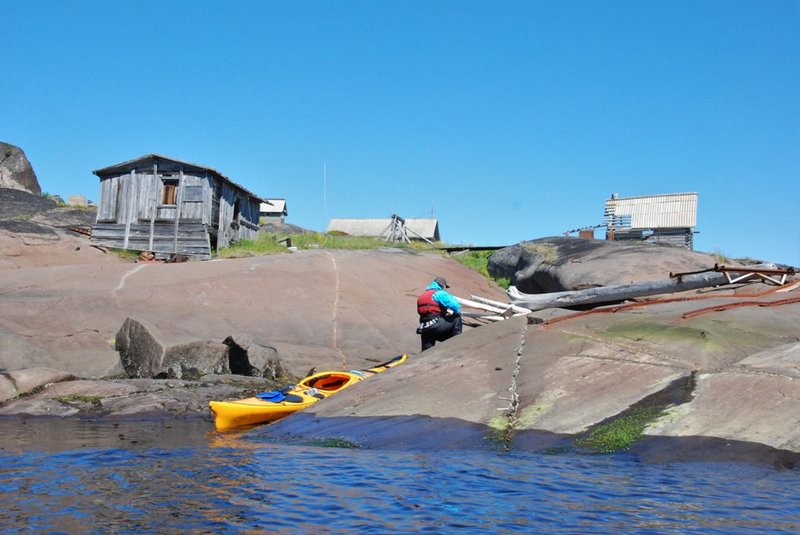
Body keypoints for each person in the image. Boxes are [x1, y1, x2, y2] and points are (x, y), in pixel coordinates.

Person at [416, 276, 462, 351]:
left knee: (426, 351)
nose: (445, 289)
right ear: (442, 285)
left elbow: (429, 312)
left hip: (424, 327)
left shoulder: (422, 296)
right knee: (457, 317)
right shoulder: (440, 293)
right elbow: (456, 305)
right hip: (436, 326)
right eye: (445, 287)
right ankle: (457, 344)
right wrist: (456, 312)